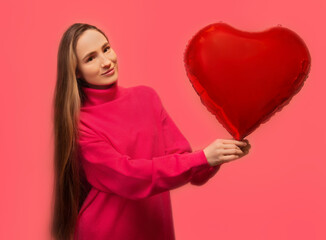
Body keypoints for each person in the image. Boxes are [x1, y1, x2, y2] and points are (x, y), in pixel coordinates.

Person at [50, 23, 251, 240]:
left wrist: (219, 155)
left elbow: (188, 167)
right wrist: (203, 158)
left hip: (155, 231)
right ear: (76, 72)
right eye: (91, 58)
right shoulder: (81, 124)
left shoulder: (146, 98)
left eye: (106, 49)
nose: (106, 62)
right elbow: (128, 176)